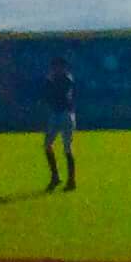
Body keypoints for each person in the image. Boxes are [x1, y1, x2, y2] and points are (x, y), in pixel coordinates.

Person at [39, 53, 77, 192]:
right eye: (54, 67)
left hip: (65, 115)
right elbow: (46, 96)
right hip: (55, 114)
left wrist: (49, 83)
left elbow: (59, 95)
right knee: (47, 145)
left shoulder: (67, 79)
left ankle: (71, 180)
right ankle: (55, 176)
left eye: (58, 67)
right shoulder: (53, 79)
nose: (55, 69)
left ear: (63, 67)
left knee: (67, 148)